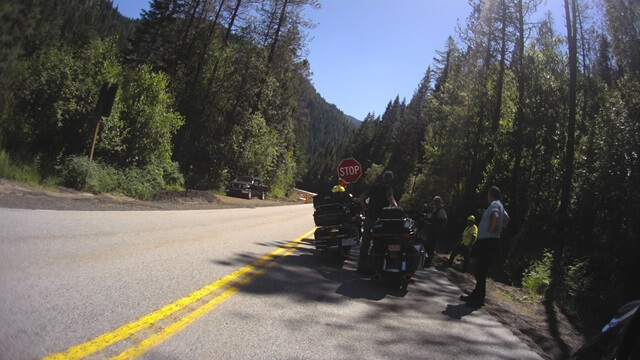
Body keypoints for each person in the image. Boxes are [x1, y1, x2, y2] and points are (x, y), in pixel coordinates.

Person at [461, 186, 509, 307]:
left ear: (490, 194)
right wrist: (500, 228)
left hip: (486, 242)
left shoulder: (494, 205)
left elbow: (496, 216)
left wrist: (492, 228)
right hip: (491, 241)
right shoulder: (500, 205)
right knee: (480, 270)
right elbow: (507, 218)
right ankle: (476, 295)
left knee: (479, 270)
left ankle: (478, 300)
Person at [357, 171, 397, 273]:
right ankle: (376, 267)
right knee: (379, 242)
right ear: (391, 179)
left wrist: (366, 209)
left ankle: (361, 267)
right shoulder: (387, 189)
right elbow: (392, 202)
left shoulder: (374, 187)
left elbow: (361, 198)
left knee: (365, 242)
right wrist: (396, 211)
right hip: (381, 220)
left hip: (369, 217)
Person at [424, 196, 447, 267]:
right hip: (431, 230)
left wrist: (440, 228)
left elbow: (445, 220)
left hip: (435, 231)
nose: (436, 203)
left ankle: (428, 262)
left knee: (431, 246)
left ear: (440, 202)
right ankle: (426, 260)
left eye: (437, 201)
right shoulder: (435, 209)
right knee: (428, 245)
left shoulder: (441, 210)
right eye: (435, 201)